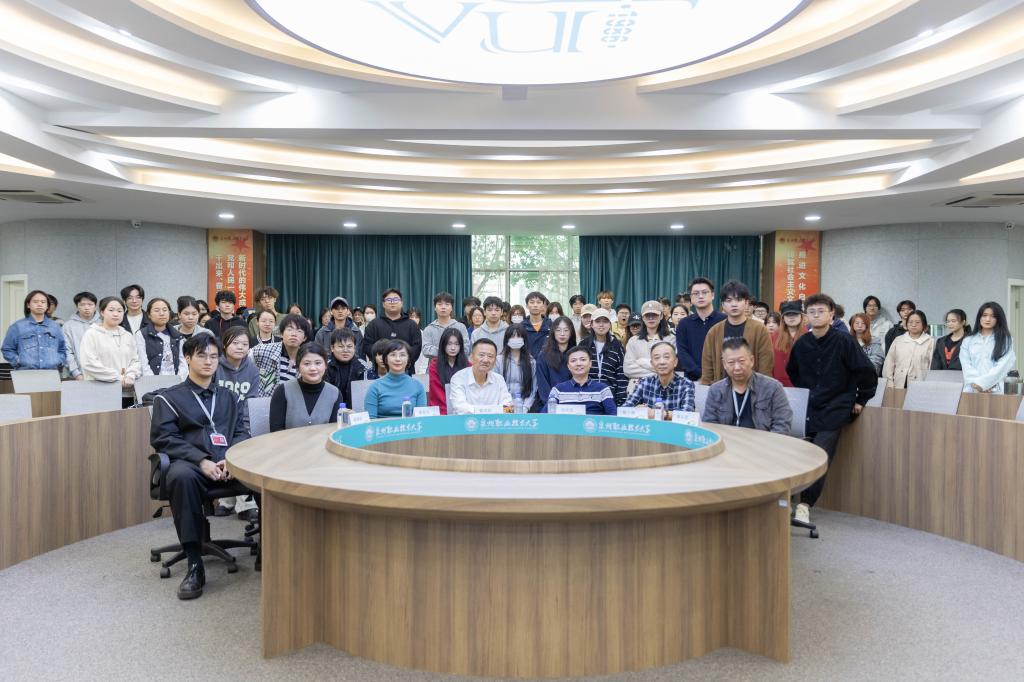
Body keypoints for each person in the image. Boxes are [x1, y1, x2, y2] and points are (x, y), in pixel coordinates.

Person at [150, 334, 254, 600]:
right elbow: (164, 438)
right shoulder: (168, 398)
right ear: (187, 358)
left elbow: (241, 432)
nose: (208, 361)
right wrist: (201, 460)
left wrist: (231, 458)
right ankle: (195, 563)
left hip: (228, 464)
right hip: (191, 465)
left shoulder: (230, 397)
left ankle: (268, 552)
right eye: (201, 355)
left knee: (265, 474)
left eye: (213, 356)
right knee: (181, 477)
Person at [786, 293, 877, 527]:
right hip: (809, 407)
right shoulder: (802, 343)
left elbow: (866, 371)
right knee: (799, 452)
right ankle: (788, 501)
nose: (816, 316)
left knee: (820, 455)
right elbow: (793, 371)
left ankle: (805, 505)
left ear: (831, 314)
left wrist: (861, 399)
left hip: (836, 406)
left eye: (821, 311)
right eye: (812, 312)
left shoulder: (845, 341)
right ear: (806, 316)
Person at [702, 338, 792, 433]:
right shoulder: (715, 390)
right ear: (724, 364)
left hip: (762, 441)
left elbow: (782, 425)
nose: (737, 367)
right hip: (727, 440)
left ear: (751, 360)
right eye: (731, 362)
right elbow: (710, 425)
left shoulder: (773, 388)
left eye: (741, 361)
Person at [699, 280, 773, 385]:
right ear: (723, 304)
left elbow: (765, 365)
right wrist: (707, 385)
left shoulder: (760, 329)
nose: (734, 304)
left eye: (738, 300)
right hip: (721, 388)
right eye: (729, 300)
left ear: (746, 303)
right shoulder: (714, 331)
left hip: (753, 388)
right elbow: (707, 366)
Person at [78, 296, 142, 404]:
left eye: (120, 311)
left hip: (127, 392)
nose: (116, 314)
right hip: (100, 391)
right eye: (111, 310)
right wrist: (117, 377)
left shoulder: (127, 335)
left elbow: (136, 360)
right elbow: (89, 363)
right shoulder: (91, 334)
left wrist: (130, 375)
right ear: (102, 312)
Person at [269, 342, 341, 432]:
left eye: (318, 363)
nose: (313, 368)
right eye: (307, 364)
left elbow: (335, 430)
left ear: (326, 365)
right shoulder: (283, 391)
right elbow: (276, 430)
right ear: (298, 366)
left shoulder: (335, 393)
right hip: (288, 441)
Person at [622, 341, 695, 416]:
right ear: (652, 364)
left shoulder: (686, 384)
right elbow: (624, 409)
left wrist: (660, 414)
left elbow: (688, 414)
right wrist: (636, 410)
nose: (662, 362)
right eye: (657, 358)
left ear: (675, 362)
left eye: (666, 357)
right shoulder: (644, 382)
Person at [675, 277, 726, 381]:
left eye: (704, 292)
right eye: (696, 293)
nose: (700, 296)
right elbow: (683, 353)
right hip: (693, 380)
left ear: (712, 295)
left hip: (722, 378)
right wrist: (700, 374)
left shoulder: (725, 320)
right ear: (691, 298)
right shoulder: (684, 324)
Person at [2, 289, 66, 371]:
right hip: (25, 372)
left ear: (47, 306)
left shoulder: (55, 326)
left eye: (43, 302)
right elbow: (7, 349)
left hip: (51, 371)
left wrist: (58, 361)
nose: (39, 304)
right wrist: (18, 361)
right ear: (28, 305)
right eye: (35, 302)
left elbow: (62, 349)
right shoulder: (17, 326)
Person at [249, 314, 312, 397]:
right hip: (264, 402)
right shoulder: (263, 350)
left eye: (299, 331)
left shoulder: (307, 359)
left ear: (305, 338)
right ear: (281, 334)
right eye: (290, 329)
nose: (294, 334)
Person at [361, 288, 422, 373]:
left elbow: (416, 348)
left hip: (406, 371)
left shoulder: (412, 325)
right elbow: (367, 346)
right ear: (383, 304)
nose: (392, 302)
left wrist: (401, 361)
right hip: (380, 373)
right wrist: (383, 360)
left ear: (402, 303)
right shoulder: (373, 325)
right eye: (389, 300)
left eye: (396, 299)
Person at [960, 302, 1015, 394]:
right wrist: (977, 384)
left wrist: (984, 384)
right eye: (984, 315)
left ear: (999, 319)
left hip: (996, 390)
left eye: (993, 316)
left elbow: (1003, 365)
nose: (988, 319)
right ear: (979, 317)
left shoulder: (1005, 340)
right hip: (972, 390)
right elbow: (966, 365)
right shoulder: (968, 340)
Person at [544, 345, 616, 415]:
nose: (578, 364)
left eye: (583, 360)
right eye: (573, 361)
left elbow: (613, 416)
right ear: (568, 366)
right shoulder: (558, 390)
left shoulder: (602, 389)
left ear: (590, 363)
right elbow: (545, 416)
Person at [447, 339, 513, 415]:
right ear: (471, 357)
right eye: (481, 355)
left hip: (493, 422)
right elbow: (460, 408)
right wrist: (491, 411)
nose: (485, 360)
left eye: (490, 356)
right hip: (467, 422)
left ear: (495, 361)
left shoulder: (499, 379)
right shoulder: (458, 378)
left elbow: (509, 408)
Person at [364, 340, 427, 418]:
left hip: (411, 426)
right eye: (393, 355)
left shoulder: (418, 386)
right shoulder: (374, 387)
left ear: (408, 359)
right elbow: (370, 420)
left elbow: (422, 419)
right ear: (386, 359)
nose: (397, 359)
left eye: (402, 355)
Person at [624, 300, 676, 392]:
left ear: (661, 316)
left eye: (654, 315)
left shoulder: (671, 339)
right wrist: (659, 371)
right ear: (643, 318)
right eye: (647, 315)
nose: (651, 318)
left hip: (664, 388)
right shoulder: (633, 341)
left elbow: (670, 367)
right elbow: (628, 369)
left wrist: (642, 362)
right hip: (637, 389)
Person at [579, 309, 627, 405]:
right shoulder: (583, 344)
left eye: (605, 321)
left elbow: (621, 375)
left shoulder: (617, 346)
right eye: (597, 321)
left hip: (610, 398)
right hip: (586, 397)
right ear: (592, 324)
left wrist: (620, 402)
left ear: (610, 325)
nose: (601, 325)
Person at [882, 310, 934, 388]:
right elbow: (889, 362)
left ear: (924, 324)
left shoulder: (930, 341)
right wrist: (889, 380)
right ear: (906, 324)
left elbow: (932, 366)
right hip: (898, 383)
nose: (913, 325)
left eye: (917, 322)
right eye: (910, 322)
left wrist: (929, 384)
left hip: (921, 383)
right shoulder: (898, 340)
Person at [136, 298, 185, 378]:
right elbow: (143, 362)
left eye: (165, 310)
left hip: (175, 380)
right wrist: (152, 381)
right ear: (149, 314)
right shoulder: (141, 334)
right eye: (157, 310)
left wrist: (180, 380)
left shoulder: (177, 335)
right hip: (151, 381)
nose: (162, 313)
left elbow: (183, 361)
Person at [535, 316, 576, 409]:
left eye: (566, 330)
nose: (562, 334)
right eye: (558, 330)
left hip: (572, 404)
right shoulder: (543, 355)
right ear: (553, 332)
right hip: (549, 405)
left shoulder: (576, 355)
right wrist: (552, 404)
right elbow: (542, 385)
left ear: (571, 332)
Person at [428, 327, 470, 414]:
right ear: (443, 345)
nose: (453, 348)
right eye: (449, 344)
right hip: (440, 411)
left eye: (457, 344)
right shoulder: (434, 365)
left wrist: (461, 408)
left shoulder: (468, 366)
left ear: (461, 346)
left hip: (463, 410)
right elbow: (437, 392)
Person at [496, 324, 537, 412]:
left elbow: (533, 389)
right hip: (503, 407)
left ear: (524, 339)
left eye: (519, 336)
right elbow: (495, 387)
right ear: (507, 339)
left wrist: (525, 407)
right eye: (512, 336)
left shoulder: (531, 362)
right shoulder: (498, 360)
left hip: (524, 407)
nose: (515, 339)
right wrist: (506, 408)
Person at [422, 291, 470, 362]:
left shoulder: (460, 327)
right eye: (439, 304)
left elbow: (466, 348)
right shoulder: (429, 329)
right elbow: (426, 350)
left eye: (447, 304)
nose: (443, 307)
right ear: (435, 308)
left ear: (452, 308)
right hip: (435, 367)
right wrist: (450, 350)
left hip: (457, 366)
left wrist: (441, 350)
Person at [325, 328, 365, 408]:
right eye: (341, 346)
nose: (345, 350)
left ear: (354, 347)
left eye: (349, 346)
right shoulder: (325, 367)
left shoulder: (363, 367)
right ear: (332, 348)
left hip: (355, 411)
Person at [216, 327, 259, 401]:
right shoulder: (214, 366)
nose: (240, 347)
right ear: (224, 344)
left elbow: (251, 400)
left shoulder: (253, 369)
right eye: (235, 343)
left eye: (245, 344)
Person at [63, 291, 99, 380]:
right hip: (78, 375)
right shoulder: (68, 326)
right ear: (77, 306)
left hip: (103, 374)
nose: (86, 308)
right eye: (82, 304)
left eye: (90, 304)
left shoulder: (104, 323)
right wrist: (76, 373)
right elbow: (66, 351)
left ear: (95, 306)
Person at [770, 301, 806, 387]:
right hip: (779, 384)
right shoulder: (774, 336)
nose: (791, 317)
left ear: (801, 316)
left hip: (803, 384)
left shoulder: (809, 335)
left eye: (795, 314)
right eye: (788, 314)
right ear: (783, 318)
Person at [522, 291, 553, 358]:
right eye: (532, 302)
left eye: (538, 302)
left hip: (546, 362)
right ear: (527, 306)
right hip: (527, 362)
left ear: (543, 305)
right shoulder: (521, 326)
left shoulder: (551, 325)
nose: (535, 305)